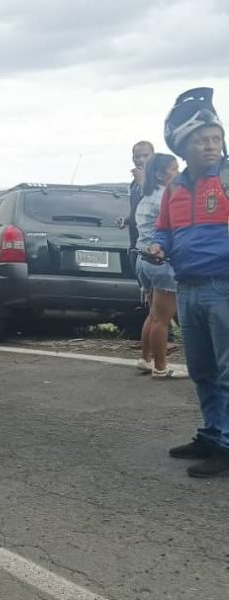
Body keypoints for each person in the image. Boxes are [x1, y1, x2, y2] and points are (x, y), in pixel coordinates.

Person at [149, 87, 229, 478]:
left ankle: (227, 444)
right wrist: (156, 246)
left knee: (228, 371)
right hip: (188, 286)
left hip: (224, 285)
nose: (211, 146)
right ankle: (213, 434)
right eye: (202, 140)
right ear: (184, 146)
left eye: (216, 138)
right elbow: (164, 232)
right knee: (202, 370)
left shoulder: (228, 180)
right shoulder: (174, 189)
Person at [134, 153, 183, 380]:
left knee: (153, 315)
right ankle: (161, 367)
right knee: (163, 319)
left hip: (143, 261)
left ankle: (145, 359)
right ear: (162, 174)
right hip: (162, 261)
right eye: (174, 169)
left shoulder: (146, 197)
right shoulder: (166, 196)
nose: (178, 172)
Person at [125, 140, 156, 252]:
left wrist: (143, 181)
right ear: (133, 158)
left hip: (152, 248)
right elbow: (141, 210)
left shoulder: (160, 179)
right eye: (138, 156)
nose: (141, 160)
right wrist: (127, 220)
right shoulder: (134, 183)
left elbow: (158, 207)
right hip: (135, 245)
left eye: (146, 155)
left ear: (153, 156)